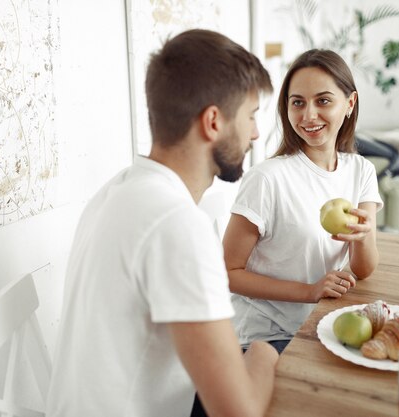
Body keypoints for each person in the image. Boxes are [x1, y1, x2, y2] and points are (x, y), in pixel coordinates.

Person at [45, 29, 278, 417]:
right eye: (251, 116)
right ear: (213, 122)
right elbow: (239, 412)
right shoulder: (179, 225)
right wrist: (264, 352)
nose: (255, 132)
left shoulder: (116, 190)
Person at [222, 49, 383, 354]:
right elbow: (228, 273)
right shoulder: (267, 178)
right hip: (266, 334)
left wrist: (361, 238)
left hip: (322, 322)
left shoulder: (361, 171)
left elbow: (363, 270)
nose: (309, 115)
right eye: (298, 103)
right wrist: (309, 291)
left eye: (323, 101)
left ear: (349, 104)